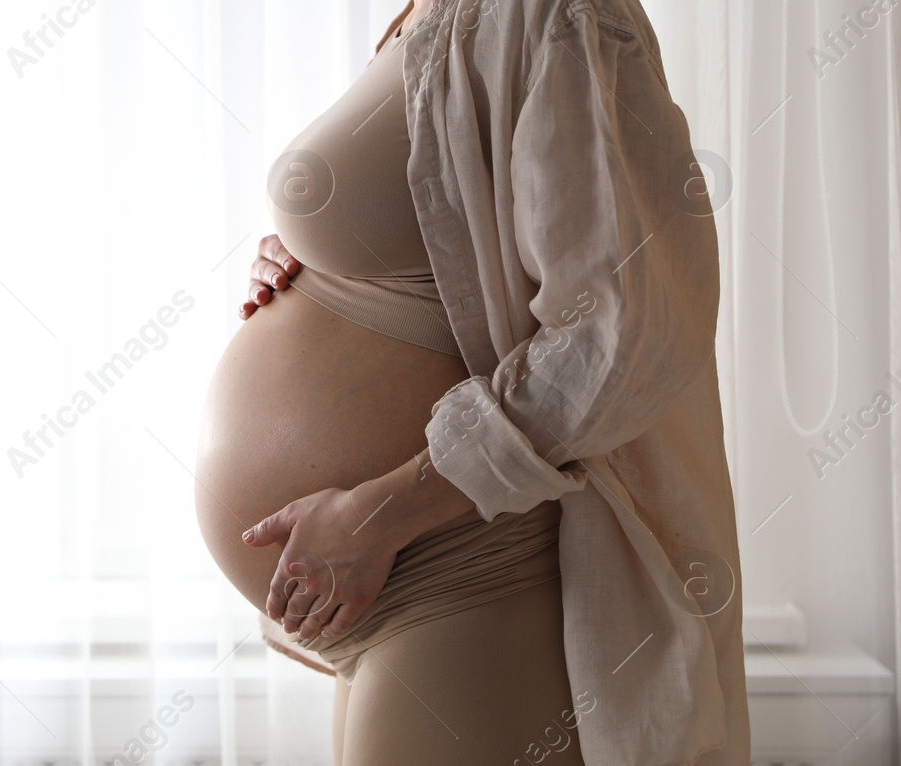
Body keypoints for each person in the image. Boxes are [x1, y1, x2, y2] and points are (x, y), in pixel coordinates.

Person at [193, 0, 749, 763]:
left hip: (468, 570)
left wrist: (382, 514)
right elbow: (450, 243)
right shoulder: (426, 11)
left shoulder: (559, 12)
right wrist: (305, 255)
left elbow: (622, 333)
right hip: (387, 584)